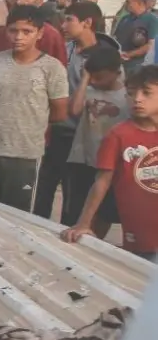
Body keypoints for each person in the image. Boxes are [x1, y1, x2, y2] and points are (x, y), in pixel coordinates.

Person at [0, 5, 70, 211]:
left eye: (27, 31)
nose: (19, 37)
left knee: (17, 216)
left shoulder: (52, 68)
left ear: (40, 33)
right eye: (13, 30)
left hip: (24, 155)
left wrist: (28, 121)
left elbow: (59, 113)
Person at [63, 65, 158, 262]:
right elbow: (101, 182)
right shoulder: (118, 135)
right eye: (131, 94)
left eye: (146, 93)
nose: (138, 99)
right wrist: (83, 223)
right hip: (140, 238)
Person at [63, 47, 129, 233]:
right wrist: (85, 79)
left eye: (99, 77)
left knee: (104, 211)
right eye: (92, 76)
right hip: (83, 158)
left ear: (116, 73)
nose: (94, 81)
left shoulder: (127, 97)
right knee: (76, 207)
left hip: (110, 164)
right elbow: (74, 110)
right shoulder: (89, 91)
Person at [113, 0, 158, 76]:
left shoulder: (152, 20)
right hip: (121, 65)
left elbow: (151, 45)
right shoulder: (125, 19)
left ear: (140, 3)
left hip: (139, 66)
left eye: (129, 2)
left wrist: (129, 55)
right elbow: (116, 38)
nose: (126, 4)